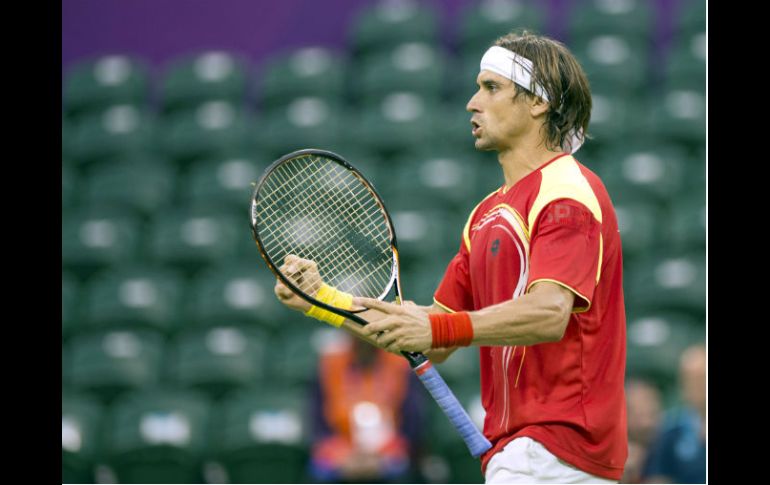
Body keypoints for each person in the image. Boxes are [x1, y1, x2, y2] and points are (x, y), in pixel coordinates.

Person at [275, 30, 627, 483]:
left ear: (538, 102)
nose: (472, 102)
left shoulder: (567, 193)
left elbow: (549, 312)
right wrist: (322, 301)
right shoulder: (484, 215)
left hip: (558, 450)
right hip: (521, 454)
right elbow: (429, 338)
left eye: (491, 87)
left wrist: (437, 326)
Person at [307, 333, 424, 483]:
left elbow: (411, 426)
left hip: (388, 451)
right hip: (340, 449)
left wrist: (379, 455)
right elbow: (318, 424)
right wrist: (344, 455)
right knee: (320, 470)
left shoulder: (399, 365)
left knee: (400, 469)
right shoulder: (331, 364)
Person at [641, 344, 706, 483]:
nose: (693, 386)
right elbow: (657, 479)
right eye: (687, 378)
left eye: (700, 378)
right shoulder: (671, 428)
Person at [621, 378, 663, 483]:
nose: (646, 423)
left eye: (652, 414)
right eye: (638, 415)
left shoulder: (671, 447)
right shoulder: (609, 458)